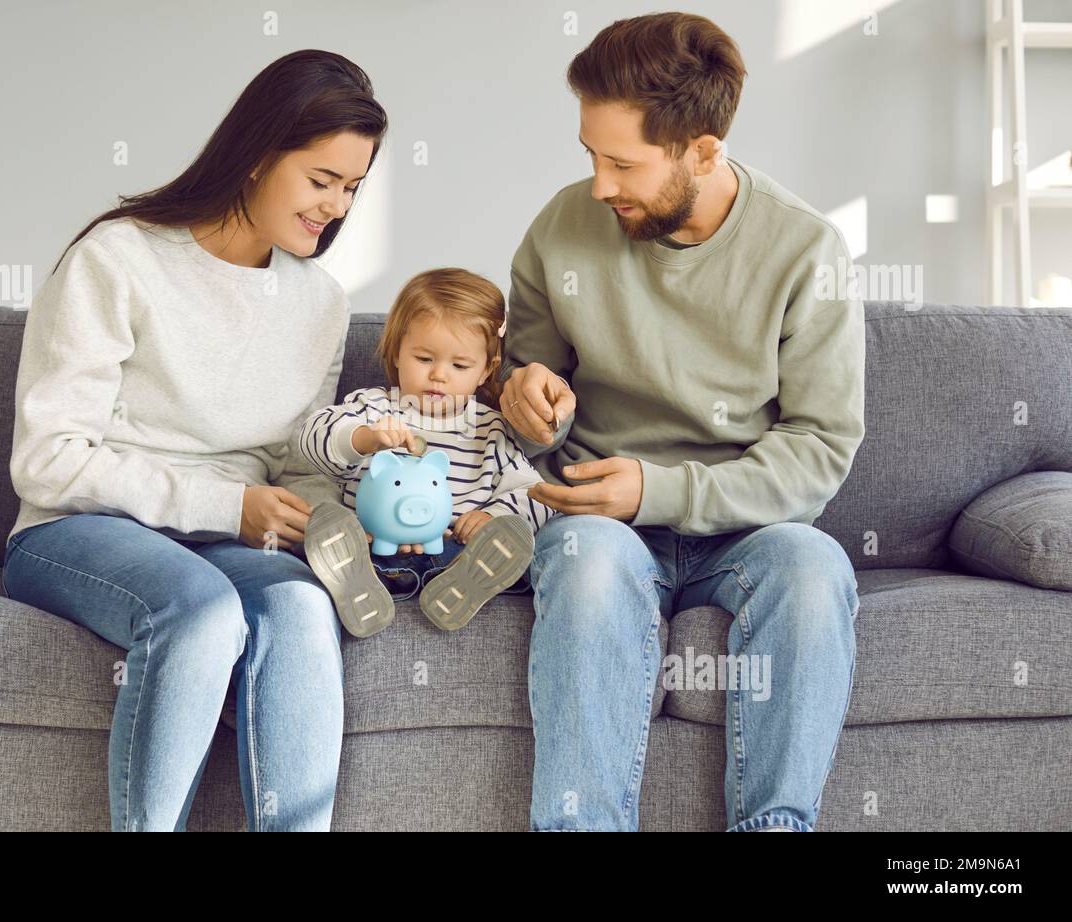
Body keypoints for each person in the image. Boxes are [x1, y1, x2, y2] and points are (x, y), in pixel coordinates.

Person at [0, 49, 387, 831]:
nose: (335, 207)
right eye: (321, 181)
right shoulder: (119, 259)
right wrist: (226, 504)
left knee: (300, 609)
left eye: (352, 188)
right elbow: (46, 458)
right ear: (256, 155)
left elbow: (290, 459)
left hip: (227, 530)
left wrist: (328, 505)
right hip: (79, 529)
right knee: (202, 611)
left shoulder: (319, 302)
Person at [499, 12, 865, 831]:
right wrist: (528, 396)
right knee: (589, 563)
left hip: (746, 528)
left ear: (704, 150)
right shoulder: (562, 227)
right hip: (597, 519)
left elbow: (820, 447)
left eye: (623, 163)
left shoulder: (805, 250)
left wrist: (658, 489)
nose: (600, 185)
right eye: (590, 155)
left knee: (814, 569)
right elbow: (524, 384)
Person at [297, 268, 554, 637]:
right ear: (397, 352)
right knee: (355, 548)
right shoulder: (372, 408)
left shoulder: (491, 429)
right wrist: (364, 439)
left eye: (459, 365)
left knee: (487, 553)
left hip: (454, 553)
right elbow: (310, 438)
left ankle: (460, 589)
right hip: (377, 550)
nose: (439, 375)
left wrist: (494, 516)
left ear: (486, 371)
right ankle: (358, 587)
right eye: (424, 358)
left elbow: (537, 494)